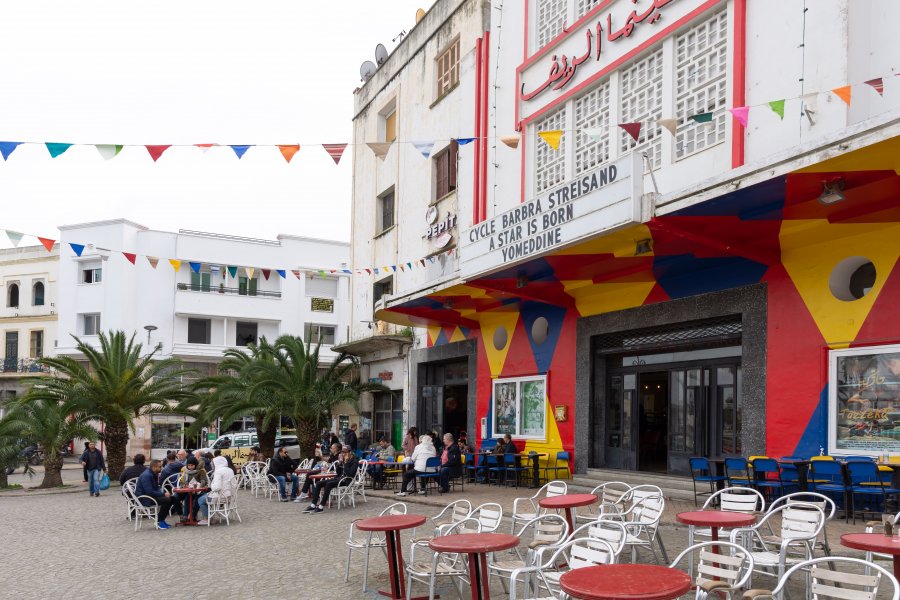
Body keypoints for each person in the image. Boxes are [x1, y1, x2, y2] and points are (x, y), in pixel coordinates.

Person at [304, 444, 359, 513]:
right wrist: (339, 463)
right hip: (339, 478)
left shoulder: (354, 461)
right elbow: (338, 472)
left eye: (345, 452)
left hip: (347, 480)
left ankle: (321, 506)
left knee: (329, 484)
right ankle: (313, 505)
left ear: (349, 452)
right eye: (342, 452)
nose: (343, 454)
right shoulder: (343, 459)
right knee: (319, 483)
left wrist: (346, 463)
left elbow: (350, 474)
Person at [135, 460, 173, 529]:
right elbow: (149, 492)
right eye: (160, 467)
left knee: (172, 498)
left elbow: (156, 487)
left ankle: (161, 520)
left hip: (149, 496)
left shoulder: (153, 473)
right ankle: (159, 521)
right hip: (144, 498)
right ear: (154, 467)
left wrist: (162, 494)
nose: (161, 468)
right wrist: (163, 494)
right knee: (167, 500)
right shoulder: (147, 475)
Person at [197, 455, 234, 526]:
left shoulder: (218, 472)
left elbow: (216, 487)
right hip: (230, 495)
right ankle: (210, 516)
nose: (212, 465)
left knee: (200, 500)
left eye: (213, 464)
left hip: (220, 497)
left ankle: (209, 518)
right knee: (204, 497)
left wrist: (211, 485)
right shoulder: (230, 470)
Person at [176, 455, 209, 523]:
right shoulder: (185, 471)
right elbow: (182, 481)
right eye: (189, 465)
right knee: (183, 497)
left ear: (195, 465)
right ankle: (185, 516)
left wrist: (198, 486)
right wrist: (184, 485)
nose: (190, 467)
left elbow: (203, 480)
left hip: (200, 491)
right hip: (189, 490)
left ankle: (193, 516)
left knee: (195, 499)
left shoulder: (201, 471)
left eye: (192, 465)